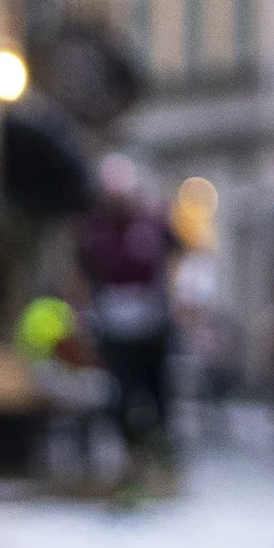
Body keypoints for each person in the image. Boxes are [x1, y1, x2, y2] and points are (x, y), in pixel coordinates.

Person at [76, 155, 180, 487]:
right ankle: (130, 457)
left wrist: (176, 302)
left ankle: (157, 458)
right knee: (119, 393)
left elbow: (178, 256)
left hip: (152, 320)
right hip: (114, 321)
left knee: (157, 392)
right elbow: (82, 272)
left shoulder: (153, 223)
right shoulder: (96, 230)